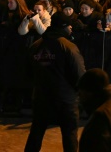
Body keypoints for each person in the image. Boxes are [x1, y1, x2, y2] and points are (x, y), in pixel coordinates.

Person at [24, 12, 86, 152]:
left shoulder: (36, 45)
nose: (71, 28)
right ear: (63, 26)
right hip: (66, 99)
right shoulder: (68, 47)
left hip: (41, 97)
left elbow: (28, 72)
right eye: (69, 25)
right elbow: (79, 74)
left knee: (36, 134)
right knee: (69, 136)